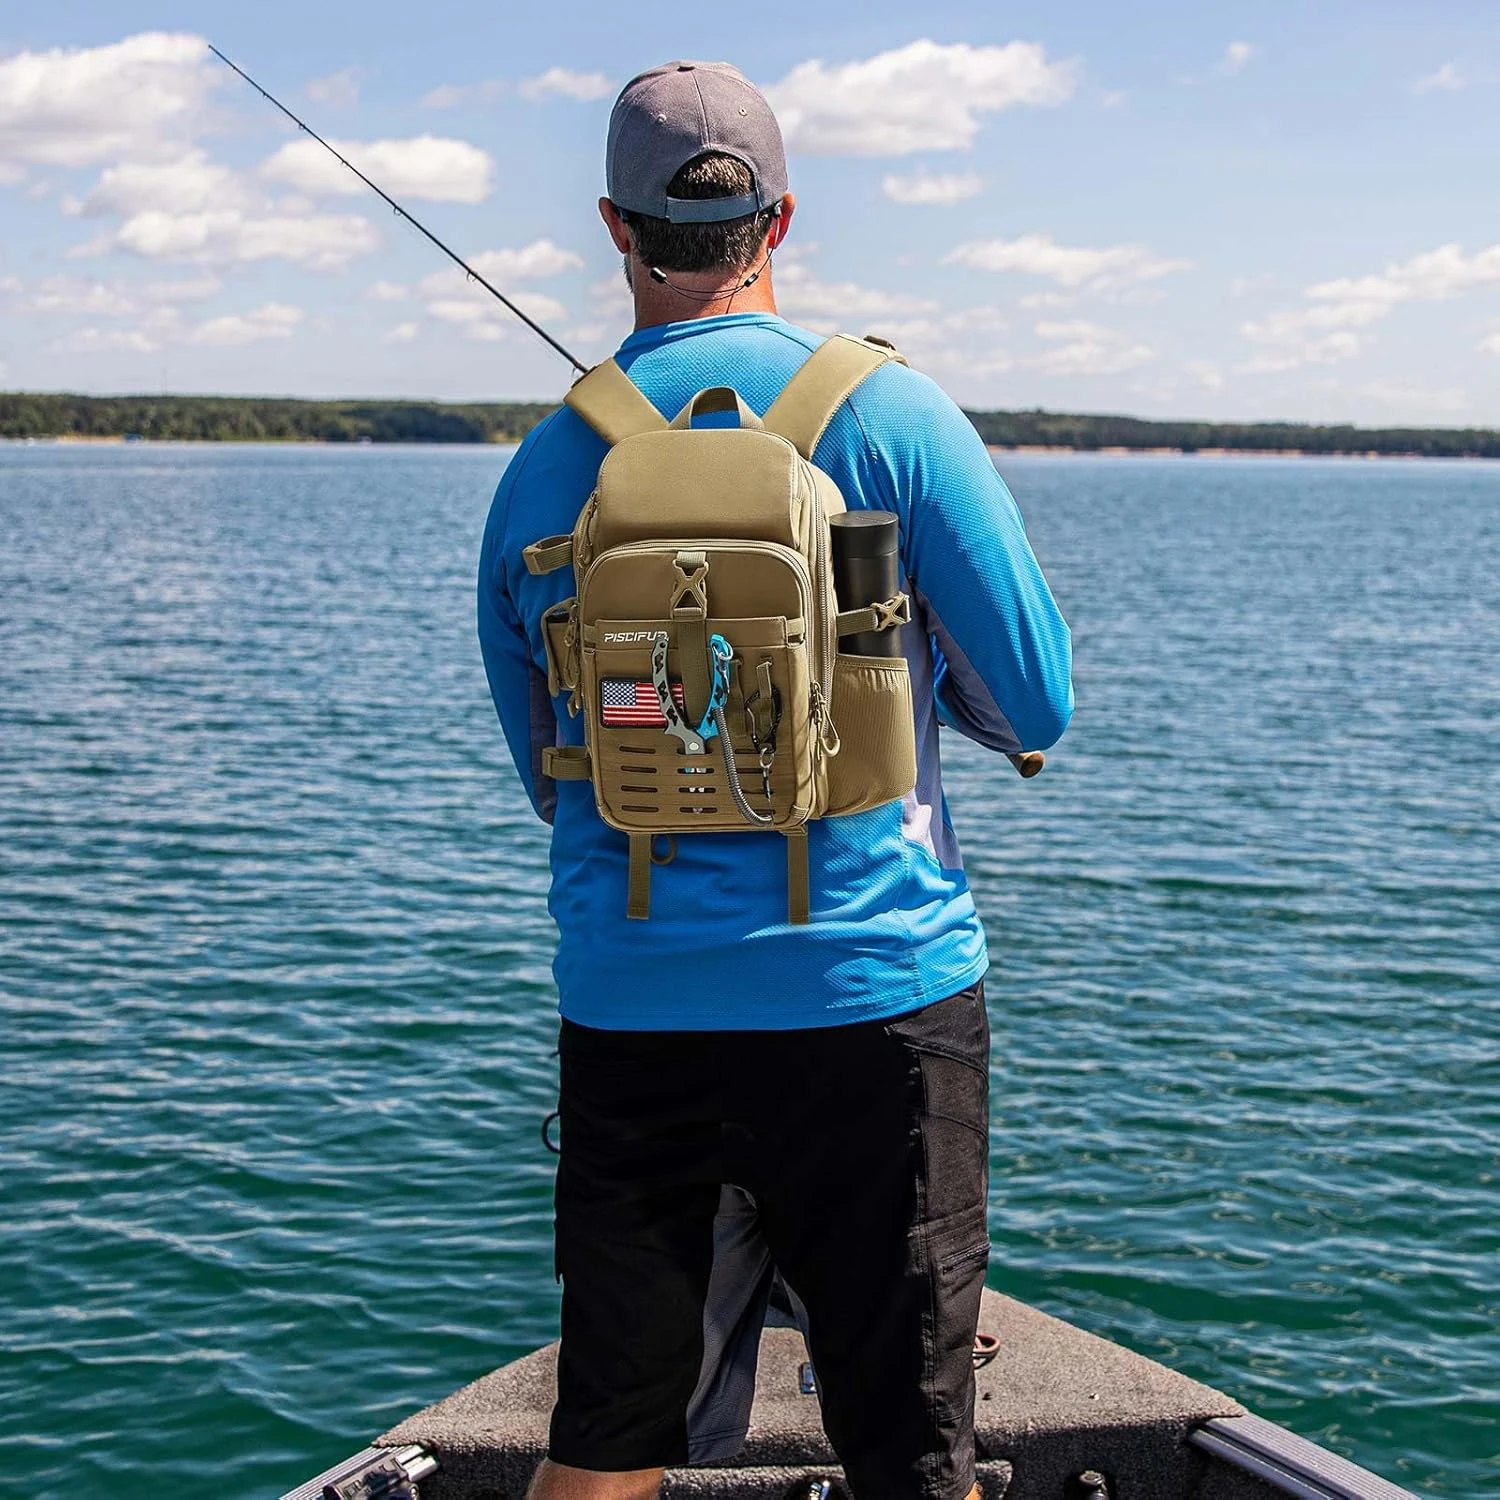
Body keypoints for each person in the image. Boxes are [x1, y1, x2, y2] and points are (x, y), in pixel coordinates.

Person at [477, 59, 1072, 1500]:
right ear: (780, 219)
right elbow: (1038, 697)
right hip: (877, 997)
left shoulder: (548, 466)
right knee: (908, 1442)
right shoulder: (898, 419)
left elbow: (555, 779)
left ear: (614, 230)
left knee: (608, 1429)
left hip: (633, 1005)